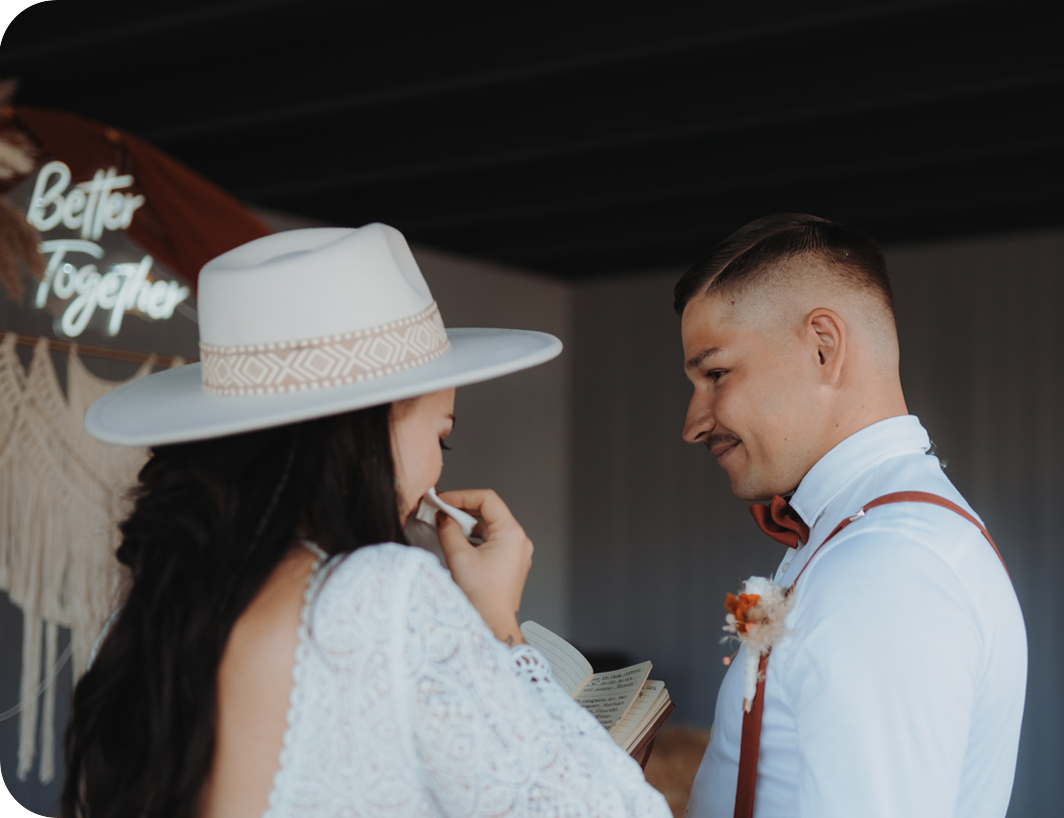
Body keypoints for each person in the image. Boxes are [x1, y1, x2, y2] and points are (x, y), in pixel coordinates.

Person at [65, 224, 668, 818]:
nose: (435, 473)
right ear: (372, 433)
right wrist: (500, 627)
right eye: (442, 436)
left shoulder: (140, 621)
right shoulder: (381, 594)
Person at [676, 214, 1027, 818]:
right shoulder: (870, 538)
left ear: (823, 347)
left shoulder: (890, 572)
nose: (693, 424)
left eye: (715, 374)